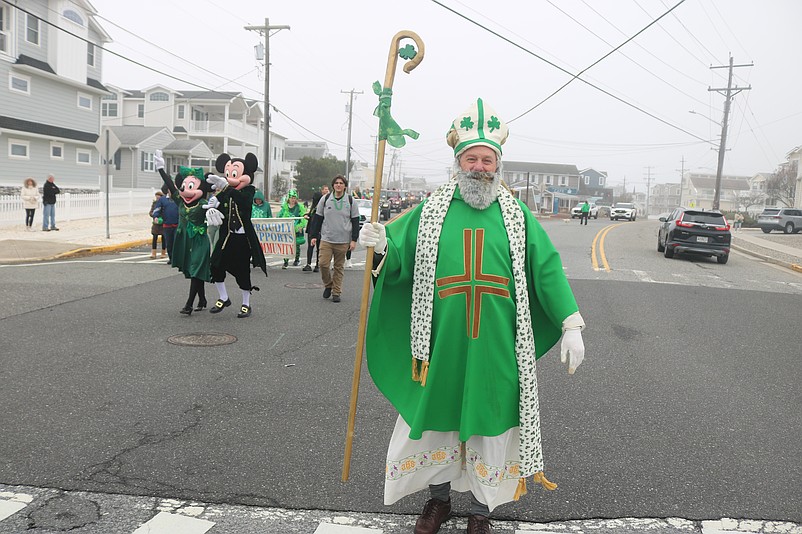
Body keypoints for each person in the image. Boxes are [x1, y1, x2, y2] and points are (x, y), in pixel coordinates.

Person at [358, 98, 586, 534]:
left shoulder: (516, 215)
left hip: (497, 345)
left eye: (487, 159)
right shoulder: (431, 209)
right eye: (472, 158)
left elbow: (547, 267)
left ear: (497, 164)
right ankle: (438, 502)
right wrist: (382, 244)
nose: (480, 166)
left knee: (489, 426)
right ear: (458, 162)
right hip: (440, 341)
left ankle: (482, 511)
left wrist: (570, 322)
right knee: (439, 422)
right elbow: (398, 252)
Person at [204, 153, 268, 319]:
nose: (230, 178)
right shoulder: (225, 192)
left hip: (243, 238)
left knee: (242, 272)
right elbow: (215, 203)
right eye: (228, 174)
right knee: (215, 265)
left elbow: (243, 201)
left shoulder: (249, 190)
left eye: (235, 174)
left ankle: (246, 303)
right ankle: (224, 297)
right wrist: (211, 209)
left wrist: (226, 188)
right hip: (227, 237)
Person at [154, 151, 213, 315]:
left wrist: (215, 208)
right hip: (185, 240)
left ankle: (189, 305)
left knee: (195, 270)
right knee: (194, 271)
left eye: (192, 187)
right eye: (185, 187)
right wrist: (161, 169)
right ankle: (202, 299)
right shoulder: (180, 200)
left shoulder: (204, 203)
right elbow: (171, 185)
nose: (186, 191)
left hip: (200, 241)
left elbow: (218, 208)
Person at [309, 175, 359, 303]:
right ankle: (328, 284)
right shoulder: (325, 199)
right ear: (333, 185)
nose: (338, 185)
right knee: (323, 264)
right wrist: (314, 235)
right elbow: (318, 218)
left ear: (345, 186)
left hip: (343, 240)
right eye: (336, 183)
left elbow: (355, 221)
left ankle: (336, 292)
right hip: (327, 239)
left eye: (341, 183)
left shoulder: (350, 200)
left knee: (338, 267)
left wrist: (354, 239)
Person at [277, 189, 307, 269]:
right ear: (288, 198)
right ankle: (285, 261)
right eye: (291, 198)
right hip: (287, 229)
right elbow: (279, 216)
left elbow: (303, 216)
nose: (293, 200)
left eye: (294, 198)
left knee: (297, 246)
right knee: (286, 245)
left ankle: (297, 259)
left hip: (297, 229)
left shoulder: (299, 207)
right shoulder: (285, 207)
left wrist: (301, 225)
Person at [303, 185, 329, 272]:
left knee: (312, 247)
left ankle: (310, 264)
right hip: (317, 229)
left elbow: (315, 217)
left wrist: (309, 217)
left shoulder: (318, 208)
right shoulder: (319, 207)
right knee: (318, 248)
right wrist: (307, 215)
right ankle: (316, 265)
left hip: (315, 229)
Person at [153, 185, 179, 264]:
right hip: (167, 225)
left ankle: (177, 259)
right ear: (168, 190)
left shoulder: (179, 199)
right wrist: (156, 217)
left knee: (176, 243)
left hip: (178, 225)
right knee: (169, 243)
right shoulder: (162, 200)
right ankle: (171, 258)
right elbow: (157, 209)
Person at [149, 190, 167, 259]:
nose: (157, 198)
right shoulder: (154, 204)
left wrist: (162, 218)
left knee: (163, 238)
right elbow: (151, 212)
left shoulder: (164, 204)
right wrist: (154, 216)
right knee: (154, 237)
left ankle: (163, 252)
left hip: (163, 223)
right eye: (156, 197)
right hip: (156, 224)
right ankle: (153, 253)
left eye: (158, 197)